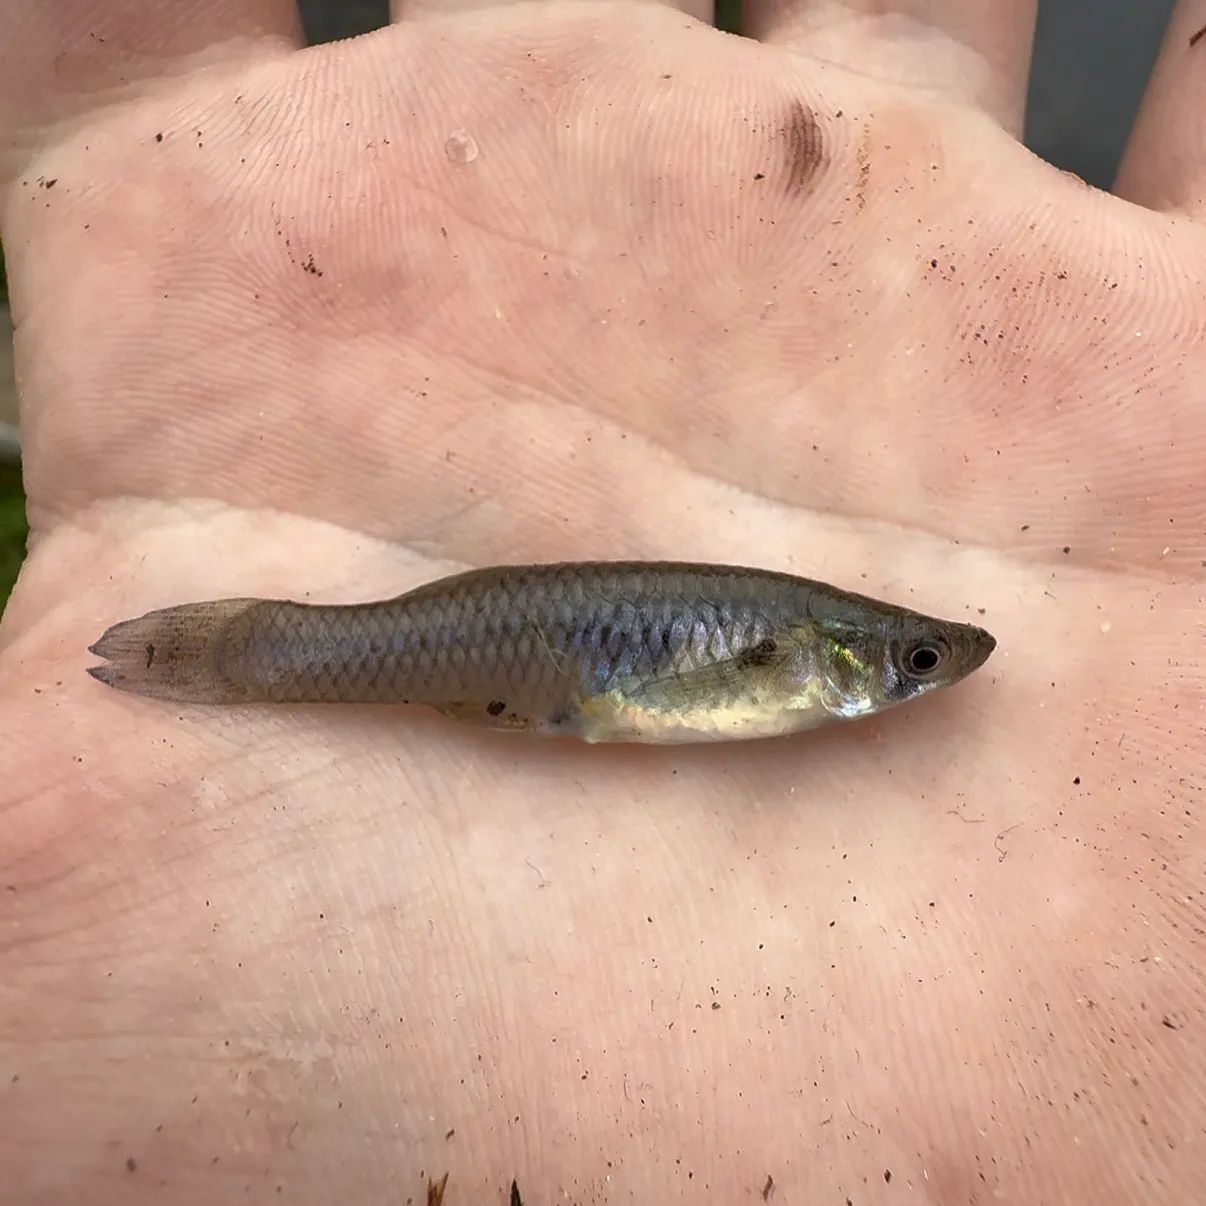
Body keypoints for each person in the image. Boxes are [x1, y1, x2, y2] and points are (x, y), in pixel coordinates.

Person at [2, 1, 1202, 1201]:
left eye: (917, 659)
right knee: (393, 653)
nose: (919, 673)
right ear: (830, 651)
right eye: (914, 661)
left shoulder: (797, 650)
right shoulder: (799, 652)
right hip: (557, 680)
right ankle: (246, 656)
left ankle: (255, 658)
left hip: (558, 684)